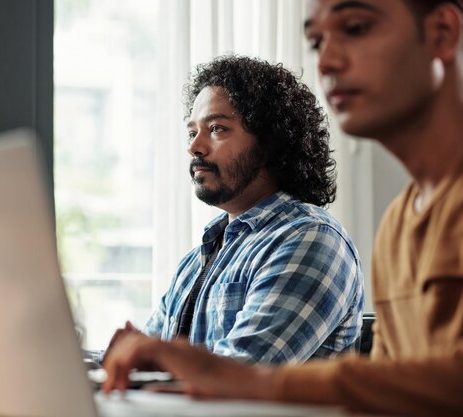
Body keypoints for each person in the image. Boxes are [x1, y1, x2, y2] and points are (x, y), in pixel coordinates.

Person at [102, 0, 463, 415]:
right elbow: (394, 391)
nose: (326, 60)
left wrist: (237, 379)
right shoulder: (399, 225)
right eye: (315, 40)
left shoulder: (313, 237)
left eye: (357, 27)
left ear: (442, 33)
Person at [106, 56, 364, 364]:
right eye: (192, 132)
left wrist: (149, 358)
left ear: (270, 143)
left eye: (216, 128)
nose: (195, 147)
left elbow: (241, 373)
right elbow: (145, 362)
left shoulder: (313, 239)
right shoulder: (197, 259)